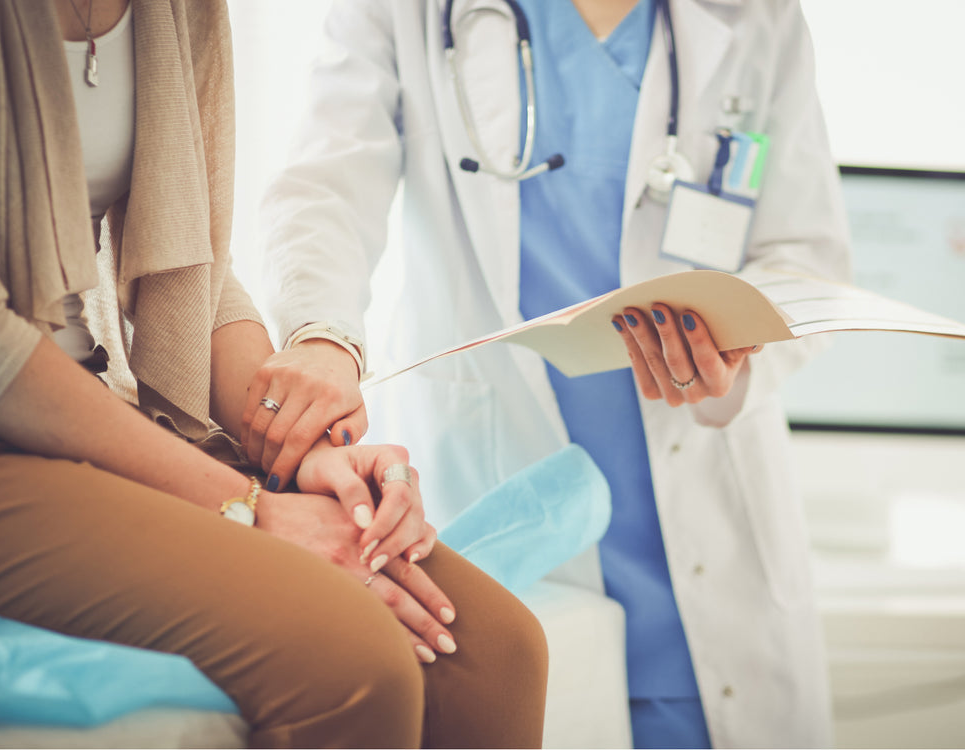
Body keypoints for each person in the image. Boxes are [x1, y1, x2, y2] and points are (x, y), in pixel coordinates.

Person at [255, 0, 852, 747]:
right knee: (529, 692)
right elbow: (325, 185)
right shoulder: (407, 11)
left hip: (703, 510)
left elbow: (807, 253)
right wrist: (322, 335)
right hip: (500, 487)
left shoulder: (756, 19)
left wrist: (740, 341)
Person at [0, 1, 549, 747]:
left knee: (498, 652)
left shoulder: (179, 11)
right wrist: (250, 506)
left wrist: (302, 450)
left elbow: (196, 270)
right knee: (353, 661)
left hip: (96, 401)